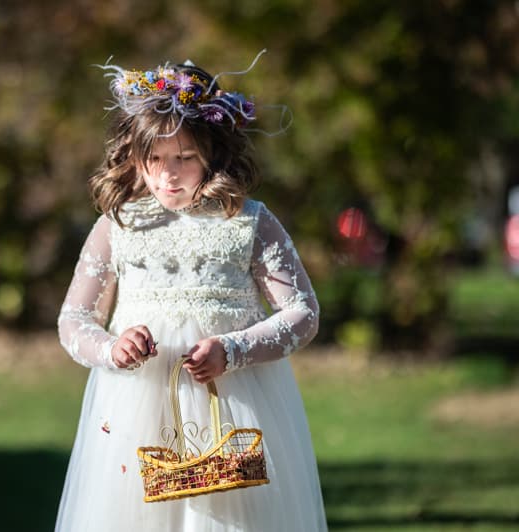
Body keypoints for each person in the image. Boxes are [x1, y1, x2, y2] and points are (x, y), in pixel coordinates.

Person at [56, 59, 327, 531]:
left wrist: (234, 348)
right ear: (135, 156)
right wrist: (111, 348)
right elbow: (74, 318)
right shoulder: (117, 225)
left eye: (184, 157)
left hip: (236, 402)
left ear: (212, 153)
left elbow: (303, 313)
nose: (168, 175)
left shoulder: (249, 222)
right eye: (155, 159)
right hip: (136, 409)